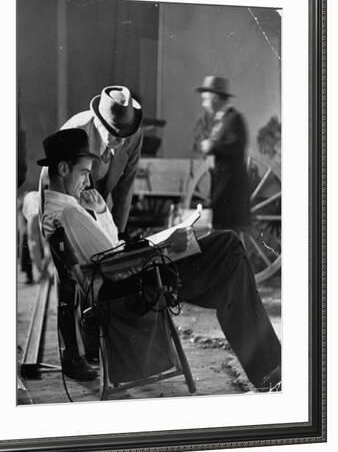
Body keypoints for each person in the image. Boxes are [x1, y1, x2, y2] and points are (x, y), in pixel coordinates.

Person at [40, 129, 281, 391]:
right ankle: (271, 372)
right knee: (229, 246)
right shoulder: (70, 212)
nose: (87, 181)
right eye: (84, 172)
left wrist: (101, 212)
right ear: (64, 169)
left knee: (232, 275)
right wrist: (160, 248)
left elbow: (109, 253)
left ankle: (271, 373)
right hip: (132, 287)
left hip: (130, 279)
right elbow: (112, 263)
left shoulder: (63, 209)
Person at [39, 85, 143, 234]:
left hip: (100, 206)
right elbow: (51, 182)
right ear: (99, 123)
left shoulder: (133, 134)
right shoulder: (75, 132)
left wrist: (119, 236)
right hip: (70, 207)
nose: (121, 142)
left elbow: (125, 188)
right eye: (114, 133)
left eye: (124, 134)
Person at [197, 76, 250, 230]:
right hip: (222, 189)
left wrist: (212, 145)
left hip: (230, 191)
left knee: (226, 232)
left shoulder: (234, 119)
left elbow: (235, 145)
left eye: (205, 99)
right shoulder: (222, 121)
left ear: (215, 98)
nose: (203, 104)